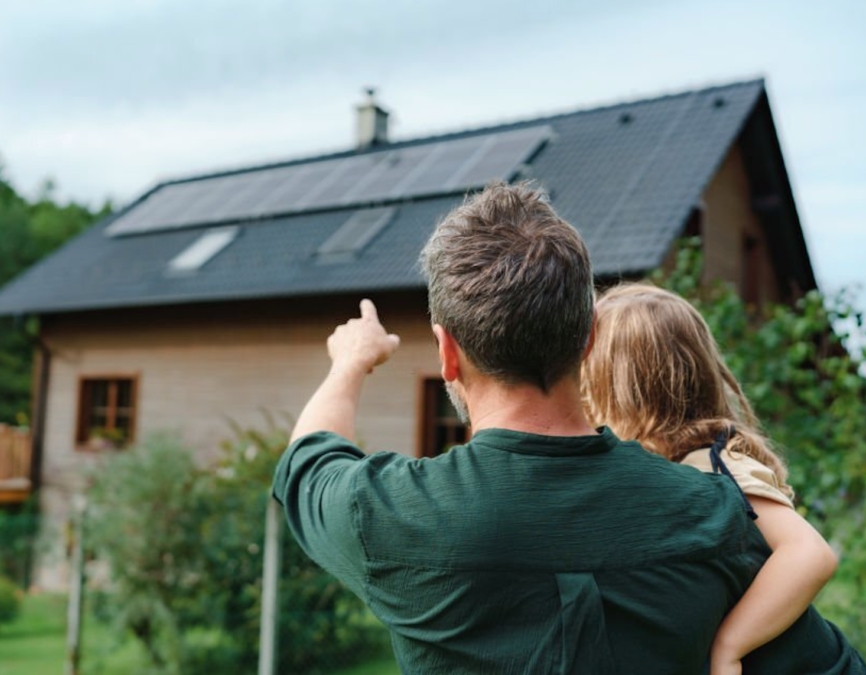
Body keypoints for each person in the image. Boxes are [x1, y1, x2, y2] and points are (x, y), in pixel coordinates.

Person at [273, 182, 783, 673]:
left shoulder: (389, 514)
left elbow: (309, 459)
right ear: (588, 339)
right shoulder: (715, 512)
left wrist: (350, 361)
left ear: (447, 352)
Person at [581, 283, 865, 674]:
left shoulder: (714, 465)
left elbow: (809, 554)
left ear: (618, 389)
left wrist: (730, 645)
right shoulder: (675, 466)